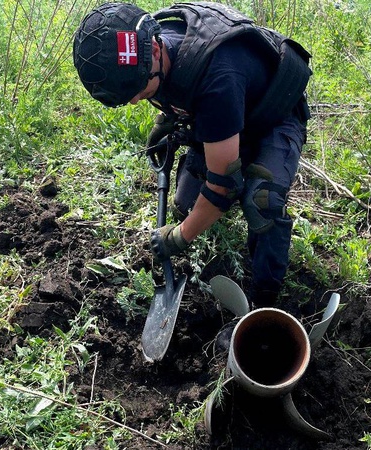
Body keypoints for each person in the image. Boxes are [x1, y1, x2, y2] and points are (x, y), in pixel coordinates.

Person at [73, 2, 311, 308]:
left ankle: (265, 299)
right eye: (126, 96)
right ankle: (223, 155)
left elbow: (222, 187)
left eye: (136, 90)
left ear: (156, 52)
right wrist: (166, 121)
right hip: (227, 110)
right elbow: (171, 88)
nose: (134, 101)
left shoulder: (216, 78)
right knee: (185, 204)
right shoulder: (148, 51)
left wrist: (179, 237)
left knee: (260, 200)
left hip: (274, 113)